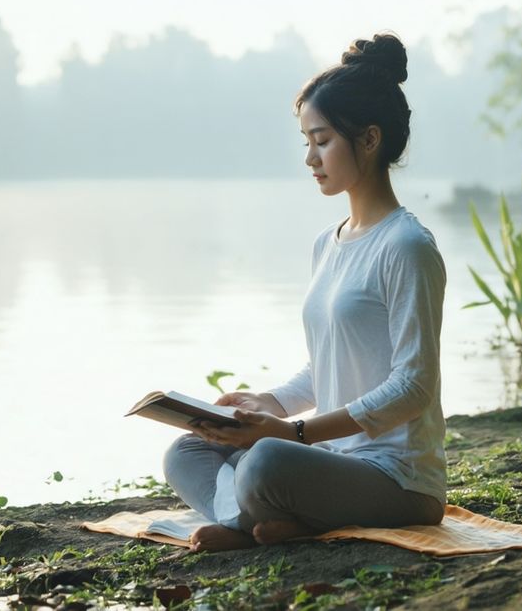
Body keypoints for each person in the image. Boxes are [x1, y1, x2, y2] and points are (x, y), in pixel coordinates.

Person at [162, 32, 448, 553]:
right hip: (330, 462)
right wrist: (268, 403)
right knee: (186, 452)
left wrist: (292, 433)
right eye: (306, 143)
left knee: (267, 460)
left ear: (369, 139)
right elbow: (327, 366)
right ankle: (276, 521)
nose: (310, 158)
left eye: (322, 141)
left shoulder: (407, 247)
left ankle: (246, 523)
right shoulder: (328, 244)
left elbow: (414, 387)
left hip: (396, 478)